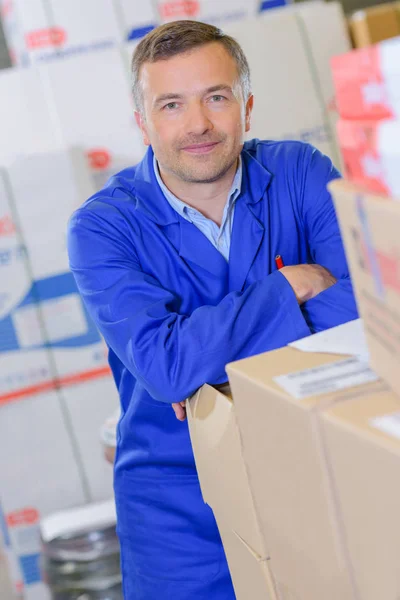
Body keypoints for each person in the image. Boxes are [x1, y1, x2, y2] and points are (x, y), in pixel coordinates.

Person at [67, 20, 358, 600]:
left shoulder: (299, 173)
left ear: (246, 107)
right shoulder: (103, 227)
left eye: (215, 97)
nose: (197, 124)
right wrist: (290, 288)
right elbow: (167, 367)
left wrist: (205, 360)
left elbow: (362, 310)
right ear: (142, 121)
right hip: (179, 507)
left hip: (313, 472)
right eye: (171, 104)